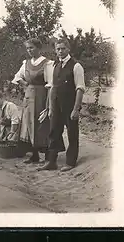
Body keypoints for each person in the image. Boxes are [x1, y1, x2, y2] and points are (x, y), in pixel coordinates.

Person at [38, 39, 85, 172]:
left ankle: (70, 162)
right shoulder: (55, 66)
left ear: (68, 49)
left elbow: (80, 89)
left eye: (63, 48)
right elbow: (53, 88)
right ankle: (51, 161)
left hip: (70, 105)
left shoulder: (76, 66)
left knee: (72, 133)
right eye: (58, 49)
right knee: (53, 132)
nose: (60, 51)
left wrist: (76, 109)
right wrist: (51, 108)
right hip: (57, 105)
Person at [12, 38, 53, 164]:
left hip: (42, 95)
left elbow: (51, 82)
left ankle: (46, 154)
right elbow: (17, 77)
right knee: (29, 122)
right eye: (28, 48)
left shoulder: (47, 63)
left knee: (42, 122)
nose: (29, 50)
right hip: (29, 95)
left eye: (32, 48)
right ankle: (34, 154)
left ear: (38, 48)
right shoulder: (26, 63)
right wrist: (26, 84)